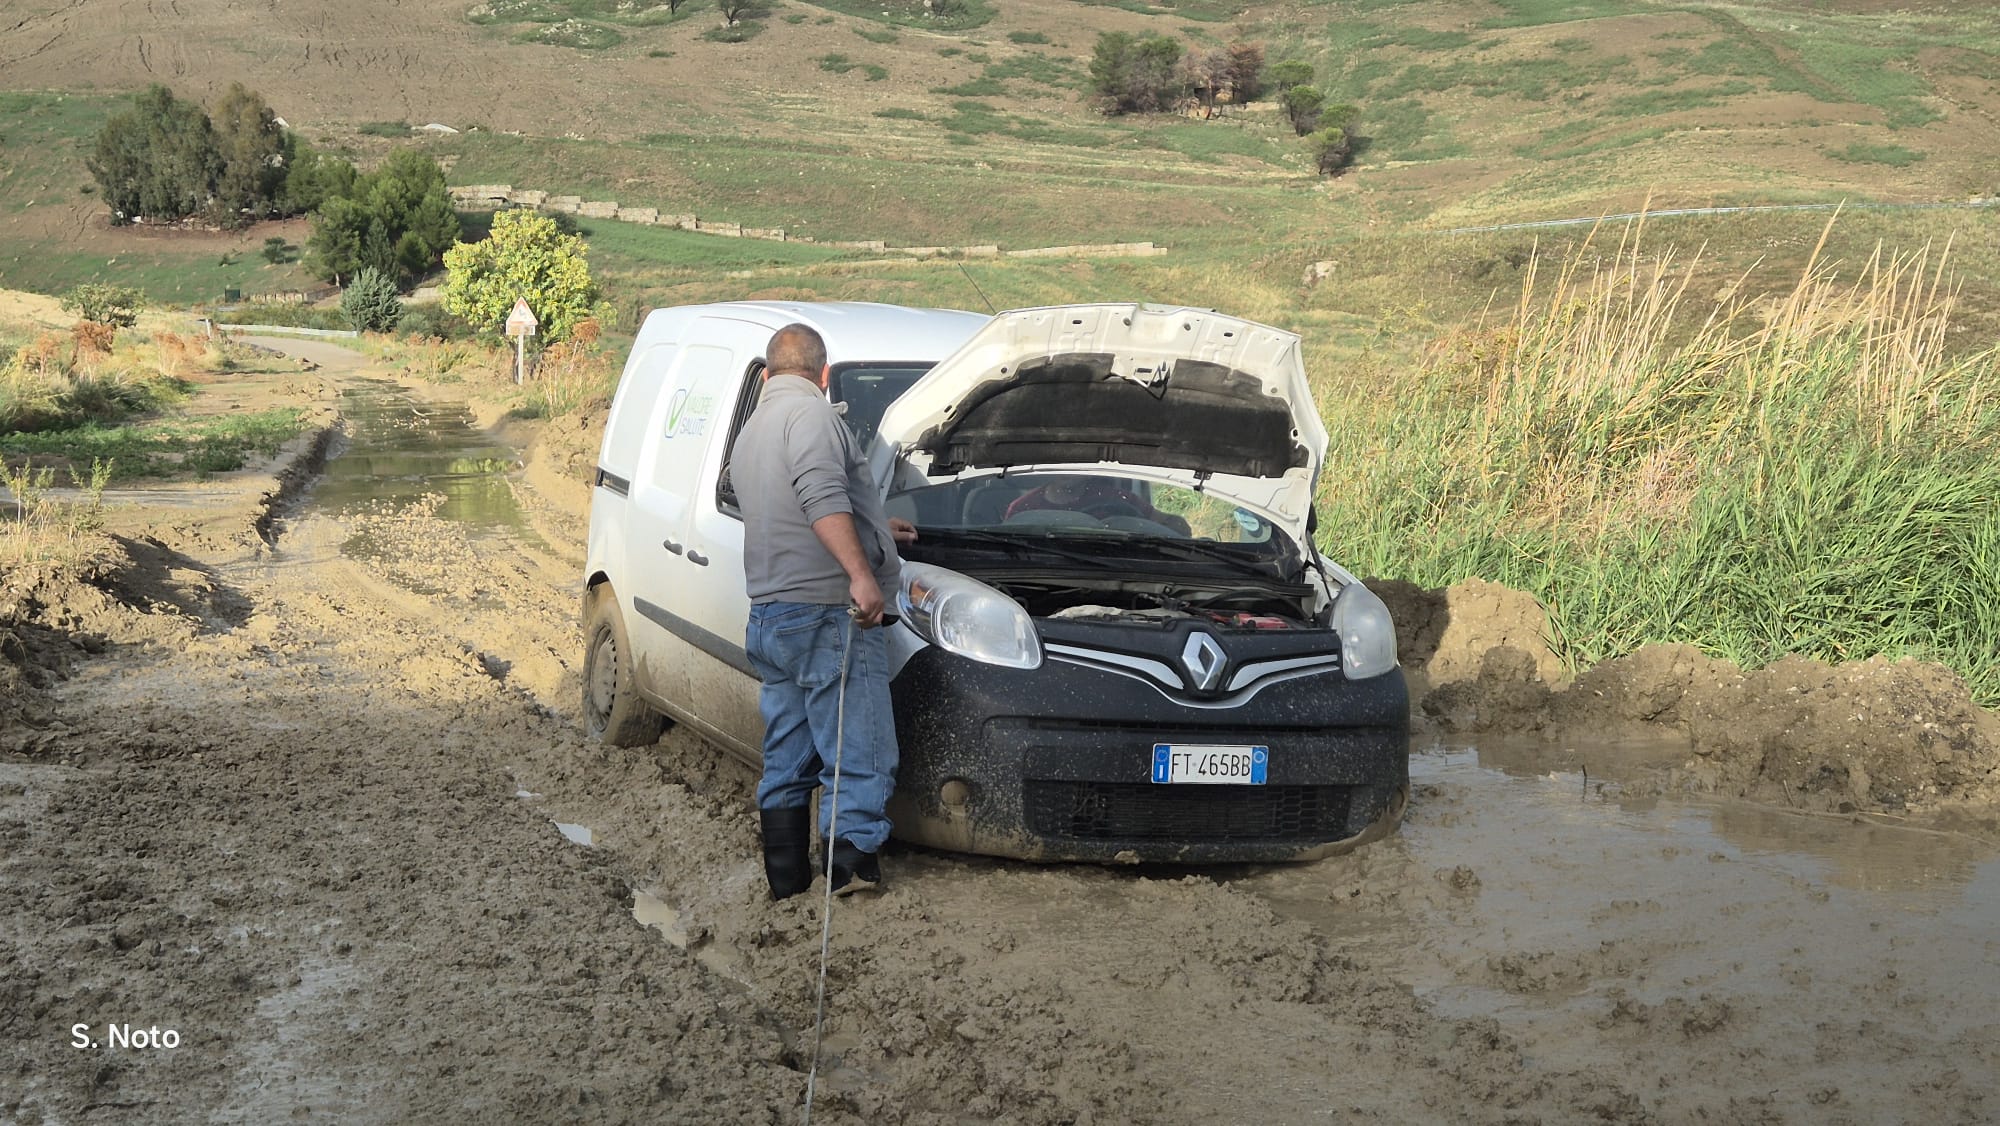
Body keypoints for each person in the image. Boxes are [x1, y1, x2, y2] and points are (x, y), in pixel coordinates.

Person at [732, 323, 917, 900]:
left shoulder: (753, 428)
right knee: (859, 749)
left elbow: (789, 506)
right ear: (824, 373)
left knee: (787, 752)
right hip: (825, 613)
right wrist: (862, 574)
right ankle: (852, 880)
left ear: (767, 374)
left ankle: (785, 884)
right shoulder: (813, 417)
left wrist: (870, 528)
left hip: (771, 615)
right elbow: (818, 496)